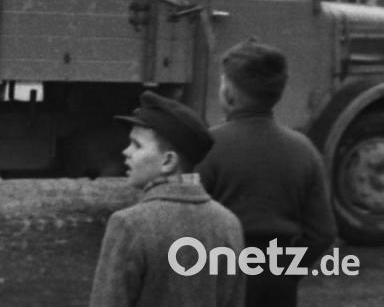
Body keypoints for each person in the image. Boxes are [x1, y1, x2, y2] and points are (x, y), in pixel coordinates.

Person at [197, 39, 336, 307]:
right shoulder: (304, 149)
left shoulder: (204, 146)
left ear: (228, 93)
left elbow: (187, 225)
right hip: (277, 281)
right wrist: (288, 270)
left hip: (219, 276)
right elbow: (323, 233)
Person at [89, 91, 244, 307]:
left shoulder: (129, 225)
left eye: (137, 145)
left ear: (168, 161)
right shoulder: (228, 224)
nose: (126, 151)